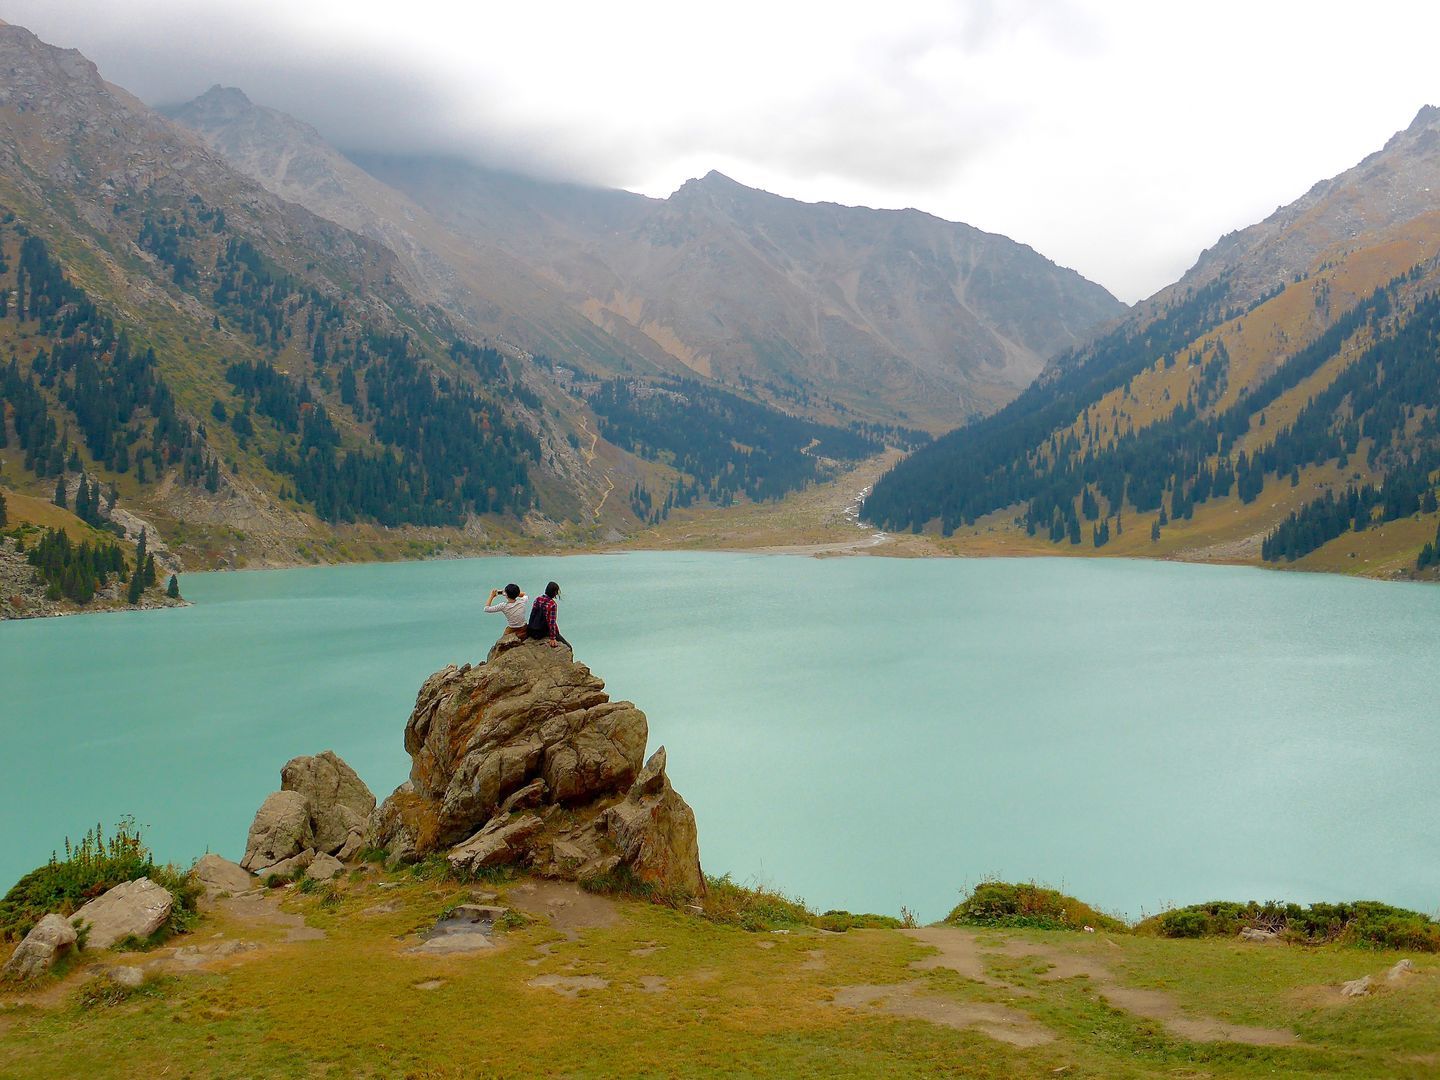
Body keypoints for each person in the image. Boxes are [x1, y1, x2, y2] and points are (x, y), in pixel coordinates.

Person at [526, 581, 570, 649]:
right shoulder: (552, 604)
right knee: (568, 647)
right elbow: (551, 623)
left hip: (531, 631)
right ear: (555, 592)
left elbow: (532, 615)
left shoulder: (537, 599)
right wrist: (553, 638)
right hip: (541, 632)